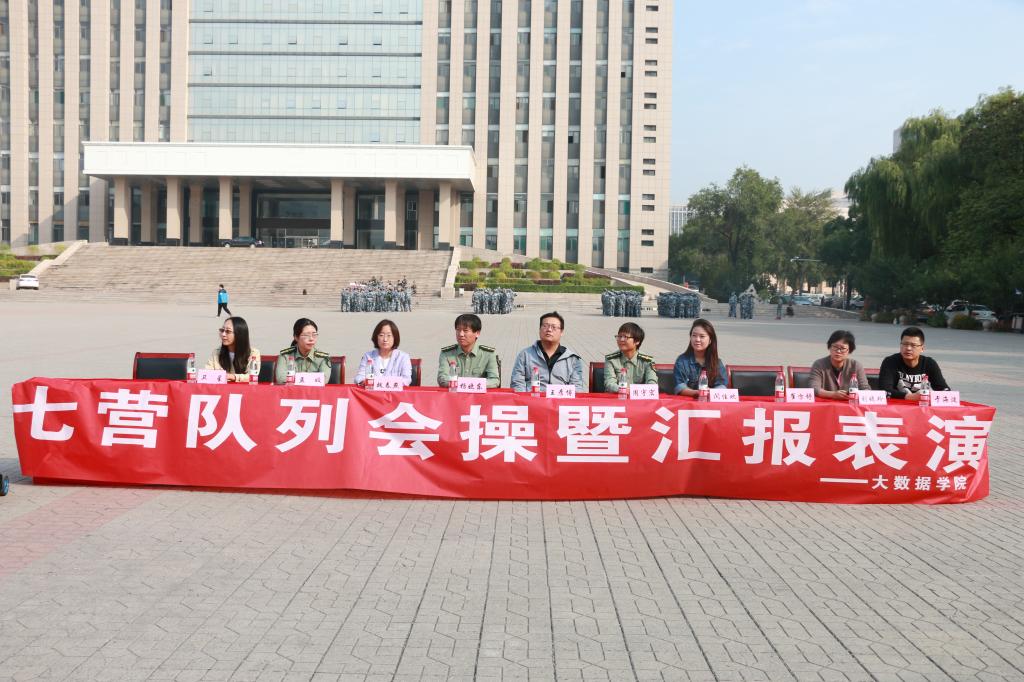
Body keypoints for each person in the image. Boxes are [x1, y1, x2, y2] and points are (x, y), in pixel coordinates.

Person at [510, 311, 585, 392]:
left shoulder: (572, 359)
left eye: (554, 327)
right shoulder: (525, 355)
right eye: (545, 326)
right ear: (539, 330)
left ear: (561, 332)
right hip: (532, 398)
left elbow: (577, 388)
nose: (549, 329)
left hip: (561, 399)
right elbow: (517, 383)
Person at [878, 326, 950, 400]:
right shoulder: (890, 362)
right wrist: (909, 397)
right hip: (896, 406)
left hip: (922, 405)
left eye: (913, 345)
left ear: (922, 348)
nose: (908, 348)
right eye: (905, 344)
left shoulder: (929, 363)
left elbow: (944, 390)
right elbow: (884, 390)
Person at [436, 313, 501, 388]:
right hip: (454, 394)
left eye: (465, 331)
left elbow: (494, 380)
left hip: (478, 395)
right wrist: (467, 385)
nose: (461, 334)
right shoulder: (447, 354)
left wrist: (468, 385)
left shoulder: (488, 354)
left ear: (477, 333)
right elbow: (442, 379)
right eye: (458, 330)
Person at [809, 330, 870, 399]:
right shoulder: (819, 364)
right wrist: (832, 394)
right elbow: (813, 388)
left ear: (849, 350)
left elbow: (865, 388)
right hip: (826, 403)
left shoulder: (856, 366)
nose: (838, 351)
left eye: (843, 348)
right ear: (829, 347)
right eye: (835, 347)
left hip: (850, 403)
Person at [673, 318, 727, 396]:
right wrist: (698, 393)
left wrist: (711, 392)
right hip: (688, 402)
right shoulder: (682, 361)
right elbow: (679, 387)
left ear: (710, 340)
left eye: (702, 336)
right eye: (694, 335)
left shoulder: (717, 362)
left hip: (710, 402)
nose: (697, 339)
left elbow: (722, 386)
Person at [354, 319, 412, 387]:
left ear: (395, 337)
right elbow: (359, 377)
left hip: (394, 393)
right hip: (372, 392)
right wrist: (363, 381)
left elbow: (406, 380)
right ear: (376, 337)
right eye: (381, 335)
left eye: (389, 335)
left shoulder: (403, 357)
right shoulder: (368, 356)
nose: (385, 339)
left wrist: (383, 383)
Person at [274, 317, 332, 384]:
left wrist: (294, 378)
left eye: (314, 334)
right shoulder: (285, 356)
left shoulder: (323, 358)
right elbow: (280, 378)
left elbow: (323, 380)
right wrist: (312, 378)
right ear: (296, 337)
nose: (311, 339)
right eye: (306, 335)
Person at [603, 322, 657, 392]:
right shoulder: (611, 359)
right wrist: (623, 390)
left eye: (625, 337)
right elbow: (609, 383)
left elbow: (652, 383)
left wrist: (634, 391)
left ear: (637, 341)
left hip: (639, 398)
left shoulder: (647, 361)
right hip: (617, 397)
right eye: (619, 336)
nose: (621, 340)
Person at [205, 316, 260, 382]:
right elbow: (207, 373)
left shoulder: (253, 353)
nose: (223, 334)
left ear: (239, 334)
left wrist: (232, 377)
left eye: (228, 331)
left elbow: (253, 376)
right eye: (222, 330)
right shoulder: (217, 352)